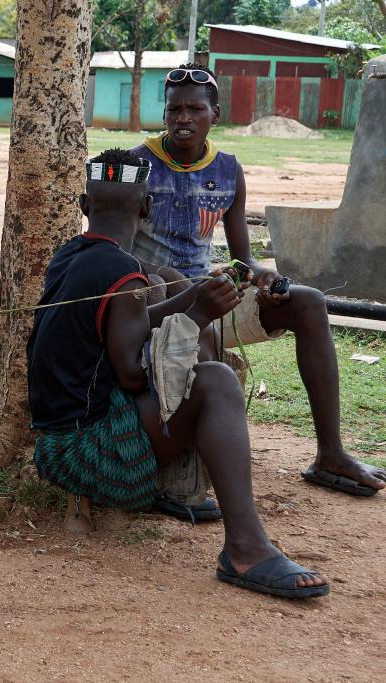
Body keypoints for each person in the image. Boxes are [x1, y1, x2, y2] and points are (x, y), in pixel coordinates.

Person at [27, 148, 329, 598]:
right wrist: (197, 311)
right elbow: (130, 374)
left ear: (84, 207)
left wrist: (184, 294)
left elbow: (123, 314)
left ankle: (186, 489)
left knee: (174, 288)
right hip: (83, 455)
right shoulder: (121, 271)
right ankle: (246, 549)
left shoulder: (70, 255)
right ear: (147, 207)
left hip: (54, 441)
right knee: (217, 382)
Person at [132, 63, 386, 500]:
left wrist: (260, 275)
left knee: (306, 302)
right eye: (175, 109)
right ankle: (184, 471)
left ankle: (331, 454)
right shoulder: (137, 162)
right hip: (153, 304)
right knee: (185, 302)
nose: (183, 118)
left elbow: (240, 257)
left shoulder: (229, 169)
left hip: (207, 296)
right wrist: (169, 281)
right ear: (165, 114)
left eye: (195, 109)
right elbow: (113, 253)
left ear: (215, 113)